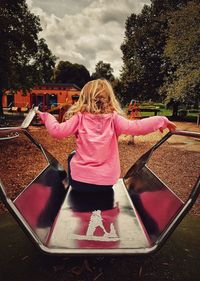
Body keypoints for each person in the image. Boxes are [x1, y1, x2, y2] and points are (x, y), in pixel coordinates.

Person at [37, 79, 176, 192]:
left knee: (72, 156)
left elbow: (56, 131)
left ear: (84, 99)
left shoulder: (79, 118)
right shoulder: (114, 119)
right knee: (74, 156)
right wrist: (161, 120)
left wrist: (46, 116)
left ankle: (71, 187)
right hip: (106, 183)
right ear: (109, 99)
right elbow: (136, 127)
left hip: (80, 182)